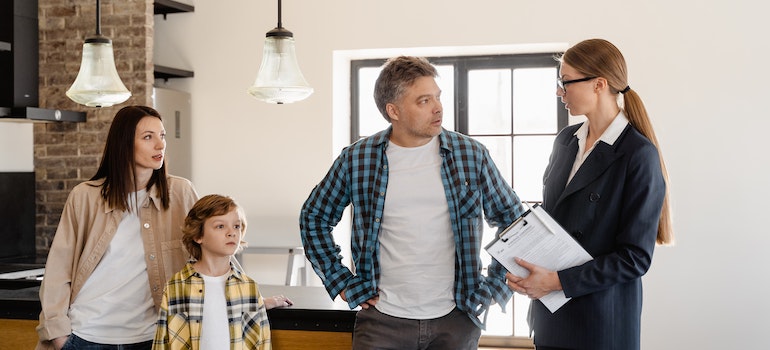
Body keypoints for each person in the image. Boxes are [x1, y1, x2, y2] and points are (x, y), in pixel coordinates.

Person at [299, 55, 524, 349]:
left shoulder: (471, 155)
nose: (438, 107)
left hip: (456, 319)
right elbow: (314, 217)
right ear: (393, 110)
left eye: (437, 97)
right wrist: (341, 281)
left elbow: (513, 219)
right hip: (381, 320)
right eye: (423, 101)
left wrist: (495, 286)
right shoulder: (357, 158)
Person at [505, 38, 674, 350]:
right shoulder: (566, 140)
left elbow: (634, 258)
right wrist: (522, 265)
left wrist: (555, 281)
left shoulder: (637, 154)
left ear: (599, 84)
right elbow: (553, 219)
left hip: (601, 322)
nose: (559, 92)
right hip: (551, 315)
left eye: (565, 82)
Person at [36, 106, 200, 350]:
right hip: (85, 336)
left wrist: (252, 296)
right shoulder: (85, 196)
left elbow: (211, 250)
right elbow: (58, 270)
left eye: (162, 135)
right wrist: (59, 336)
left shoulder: (181, 193)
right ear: (124, 144)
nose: (160, 145)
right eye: (148, 137)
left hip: (152, 338)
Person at [152, 194, 277, 350]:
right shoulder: (175, 287)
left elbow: (262, 343)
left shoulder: (249, 287)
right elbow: (162, 343)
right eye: (220, 226)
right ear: (198, 235)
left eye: (236, 226)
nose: (232, 232)